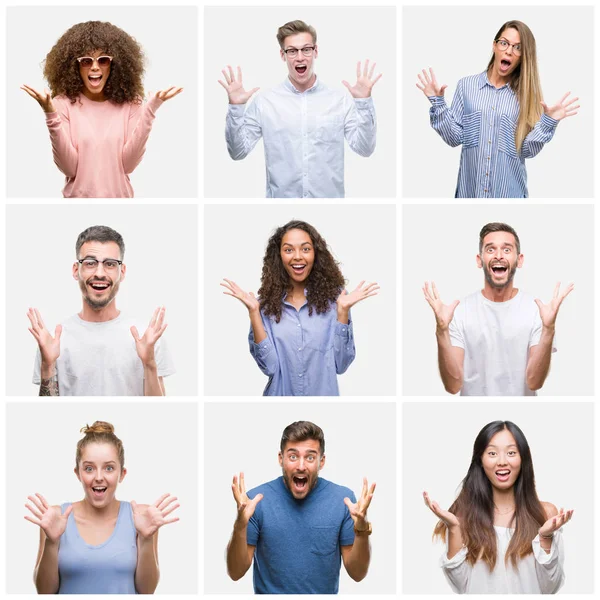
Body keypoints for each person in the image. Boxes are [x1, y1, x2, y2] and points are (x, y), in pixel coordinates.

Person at [416, 20, 579, 198]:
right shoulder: (466, 86)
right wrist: (438, 103)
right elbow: (454, 138)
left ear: (524, 56)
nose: (509, 50)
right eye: (504, 43)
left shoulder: (527, 96)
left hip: (510, 195)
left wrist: (548, 122)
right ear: (495, 46)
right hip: (470, 194)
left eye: (518, 47)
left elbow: (526, 151)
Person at [219, 19, 381, 198]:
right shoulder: (265, 102)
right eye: (292, 51)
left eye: (306, 49)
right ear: (283, 55)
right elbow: (238, 152)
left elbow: (365, 149)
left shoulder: (339, 100)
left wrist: (363, 103)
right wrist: (236, 107)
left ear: (315, 51)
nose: (300, 57)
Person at [21, 21, 182, 198]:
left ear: (115, 64)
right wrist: (50, 114)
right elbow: (69, 167)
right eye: (86, 61)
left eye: (103, 60)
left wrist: (150, 110)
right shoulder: (63, 103)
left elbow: (128, 165)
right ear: (75, 66)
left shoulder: (130, 103)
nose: (95, 67)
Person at [221, 220, 378, 395]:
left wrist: (342, 313)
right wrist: (254, 313)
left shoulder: (337, 300)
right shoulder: (264, 306)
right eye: (288, 250)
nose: (297, 256)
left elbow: (340, 365)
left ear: (315, 254)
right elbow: (270, 368)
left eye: (305, 249)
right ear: (279, 256)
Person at [24, 421, 180, 594]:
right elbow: (44, 592)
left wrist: (146, 538)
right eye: (89, 468)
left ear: (122, 474)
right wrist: (51, 542)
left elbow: (147, 591)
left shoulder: (142, 517)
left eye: (109, 468)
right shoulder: (55, 517)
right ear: (78, 474)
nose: (99, 477)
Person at [423, 222, 572, 396]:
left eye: (507, 250)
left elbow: (534, 382)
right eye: (490, 249)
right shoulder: (459, 312)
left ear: (519, 259)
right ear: (480, 260)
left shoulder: (536, 312)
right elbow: (453, 386)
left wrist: (548, 329)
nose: (499, 256)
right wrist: (442, 330)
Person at [423, 420, 572, 594]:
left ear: (523, 458)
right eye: (492, 453)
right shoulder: (465, 516)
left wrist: (545, 537)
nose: (502, 461)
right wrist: (454, 528)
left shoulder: (545, 513)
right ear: (480, 459)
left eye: (511, 452)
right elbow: (460, 586)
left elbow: (550, 587)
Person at [226, 421, 375, 593]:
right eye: (293, 456)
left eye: (310, 457)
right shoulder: (255, 502)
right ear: (281, 459)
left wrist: (362, 531)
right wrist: (239, 526)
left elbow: (357, 574)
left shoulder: (343, 500)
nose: (301, 466)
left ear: (322, 461)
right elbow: (235, 573)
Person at [28, 225, 175, 396]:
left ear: (122, 271)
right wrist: (47, 366)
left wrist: (149, 363)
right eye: (90, 263)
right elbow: (48, 414)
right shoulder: (53, 341)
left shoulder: (147, 337)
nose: (99, 273)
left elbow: (156, 413)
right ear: (76, 270)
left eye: (110, 264)